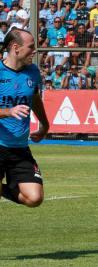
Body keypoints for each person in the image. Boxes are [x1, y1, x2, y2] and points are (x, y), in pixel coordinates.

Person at [0, 29, 49, 207]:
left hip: (19, 148)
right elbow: (9, 110)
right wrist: (7, 111)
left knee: (35, 198)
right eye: (31, 47)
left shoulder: (33, 72)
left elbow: (34, 98)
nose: (35, 51)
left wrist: (45, 125)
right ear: (15, 48)